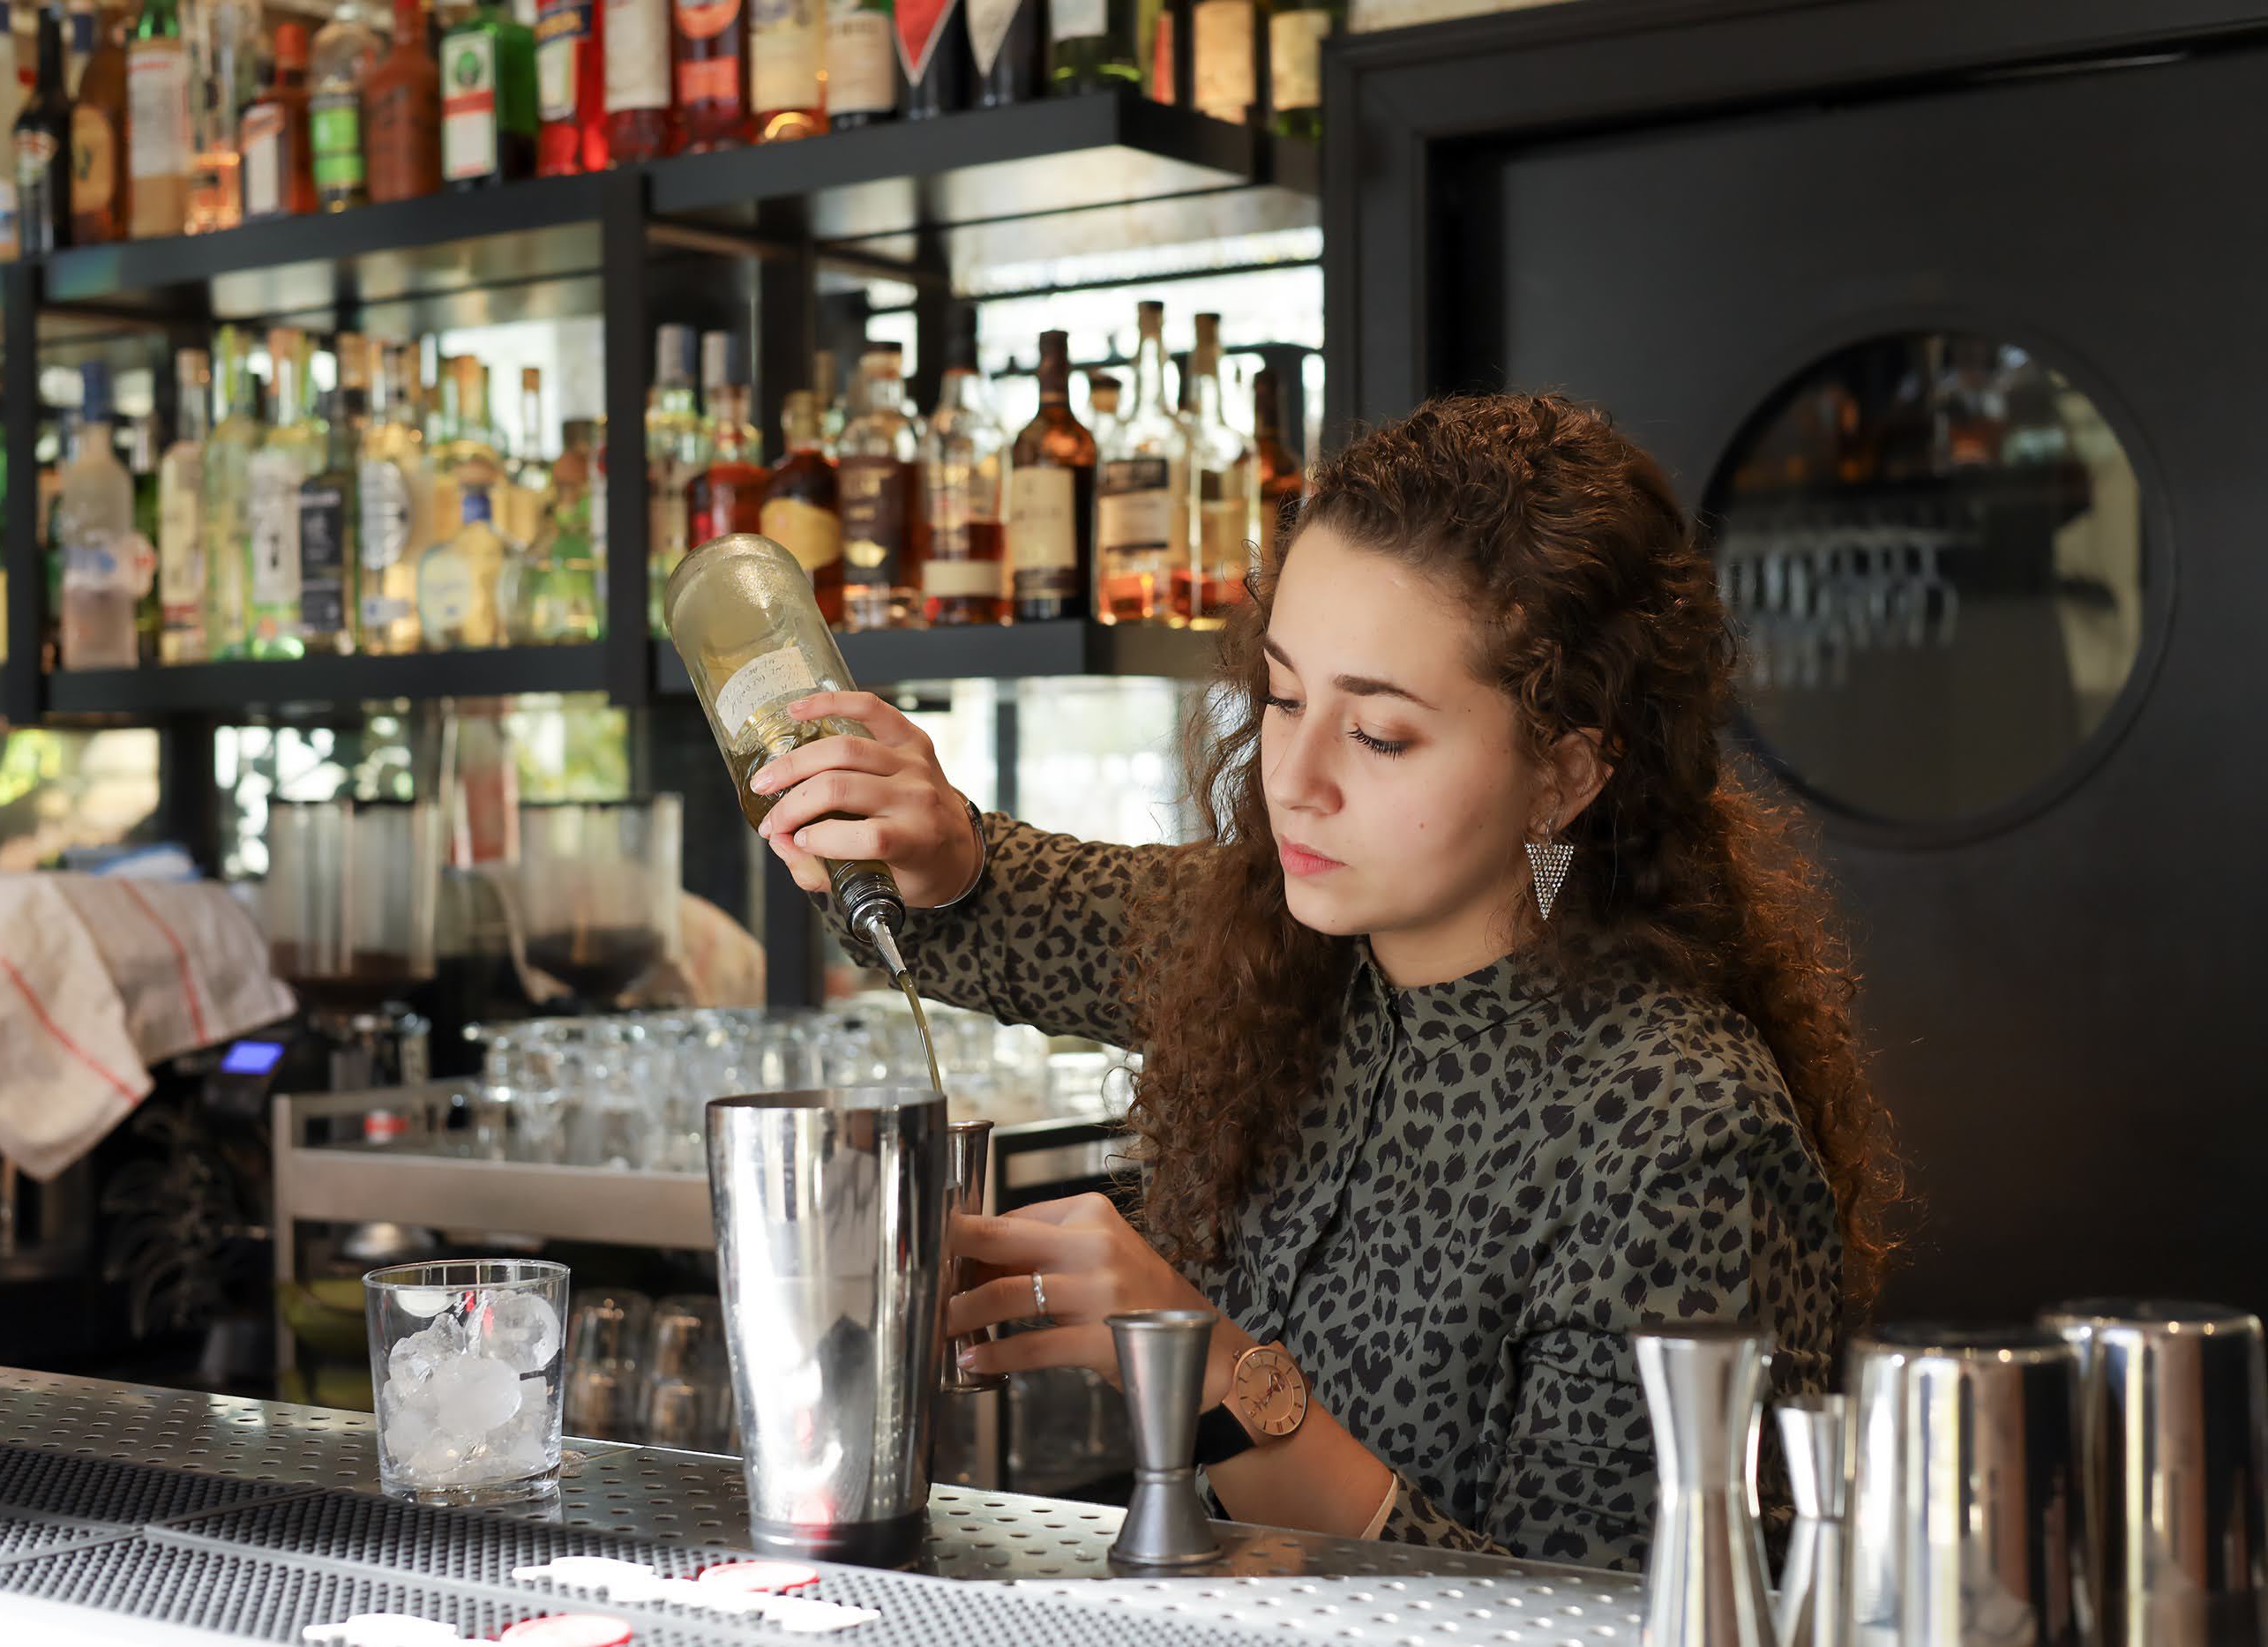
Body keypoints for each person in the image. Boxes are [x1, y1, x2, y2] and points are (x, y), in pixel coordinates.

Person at [745, 393, 1899, 1570]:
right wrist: (921, 841)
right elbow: (1002, 898)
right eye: (1285, 699)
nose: (1292, 778)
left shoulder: (1678, 1132)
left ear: (1564, 773)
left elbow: (1605, 1621)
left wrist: (1208, 1371)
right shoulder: (1288, 949)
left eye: (1380, 736)